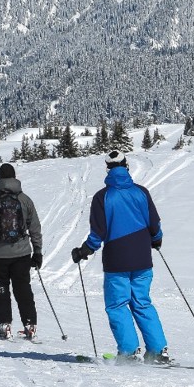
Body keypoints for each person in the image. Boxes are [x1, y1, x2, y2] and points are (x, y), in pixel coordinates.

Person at [71, 150, 169, 364]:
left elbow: (98, 234)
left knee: (117, 305)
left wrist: (84, 251)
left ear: (107, 168)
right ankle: (158, 351)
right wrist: (156, 239)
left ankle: (129, 352)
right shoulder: (141, 192)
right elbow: (155, 225)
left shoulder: (102, 197)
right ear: (126, 166)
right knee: (142, 303)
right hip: (143, 259)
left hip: (117, 260)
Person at [0, 162, 43, 341]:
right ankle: (30, 325)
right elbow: (34, 227)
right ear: (14, 177)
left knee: (1, 289)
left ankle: (5, 325)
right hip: (21, 253)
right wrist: (37, 252)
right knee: (23, 288)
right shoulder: (24, 199)